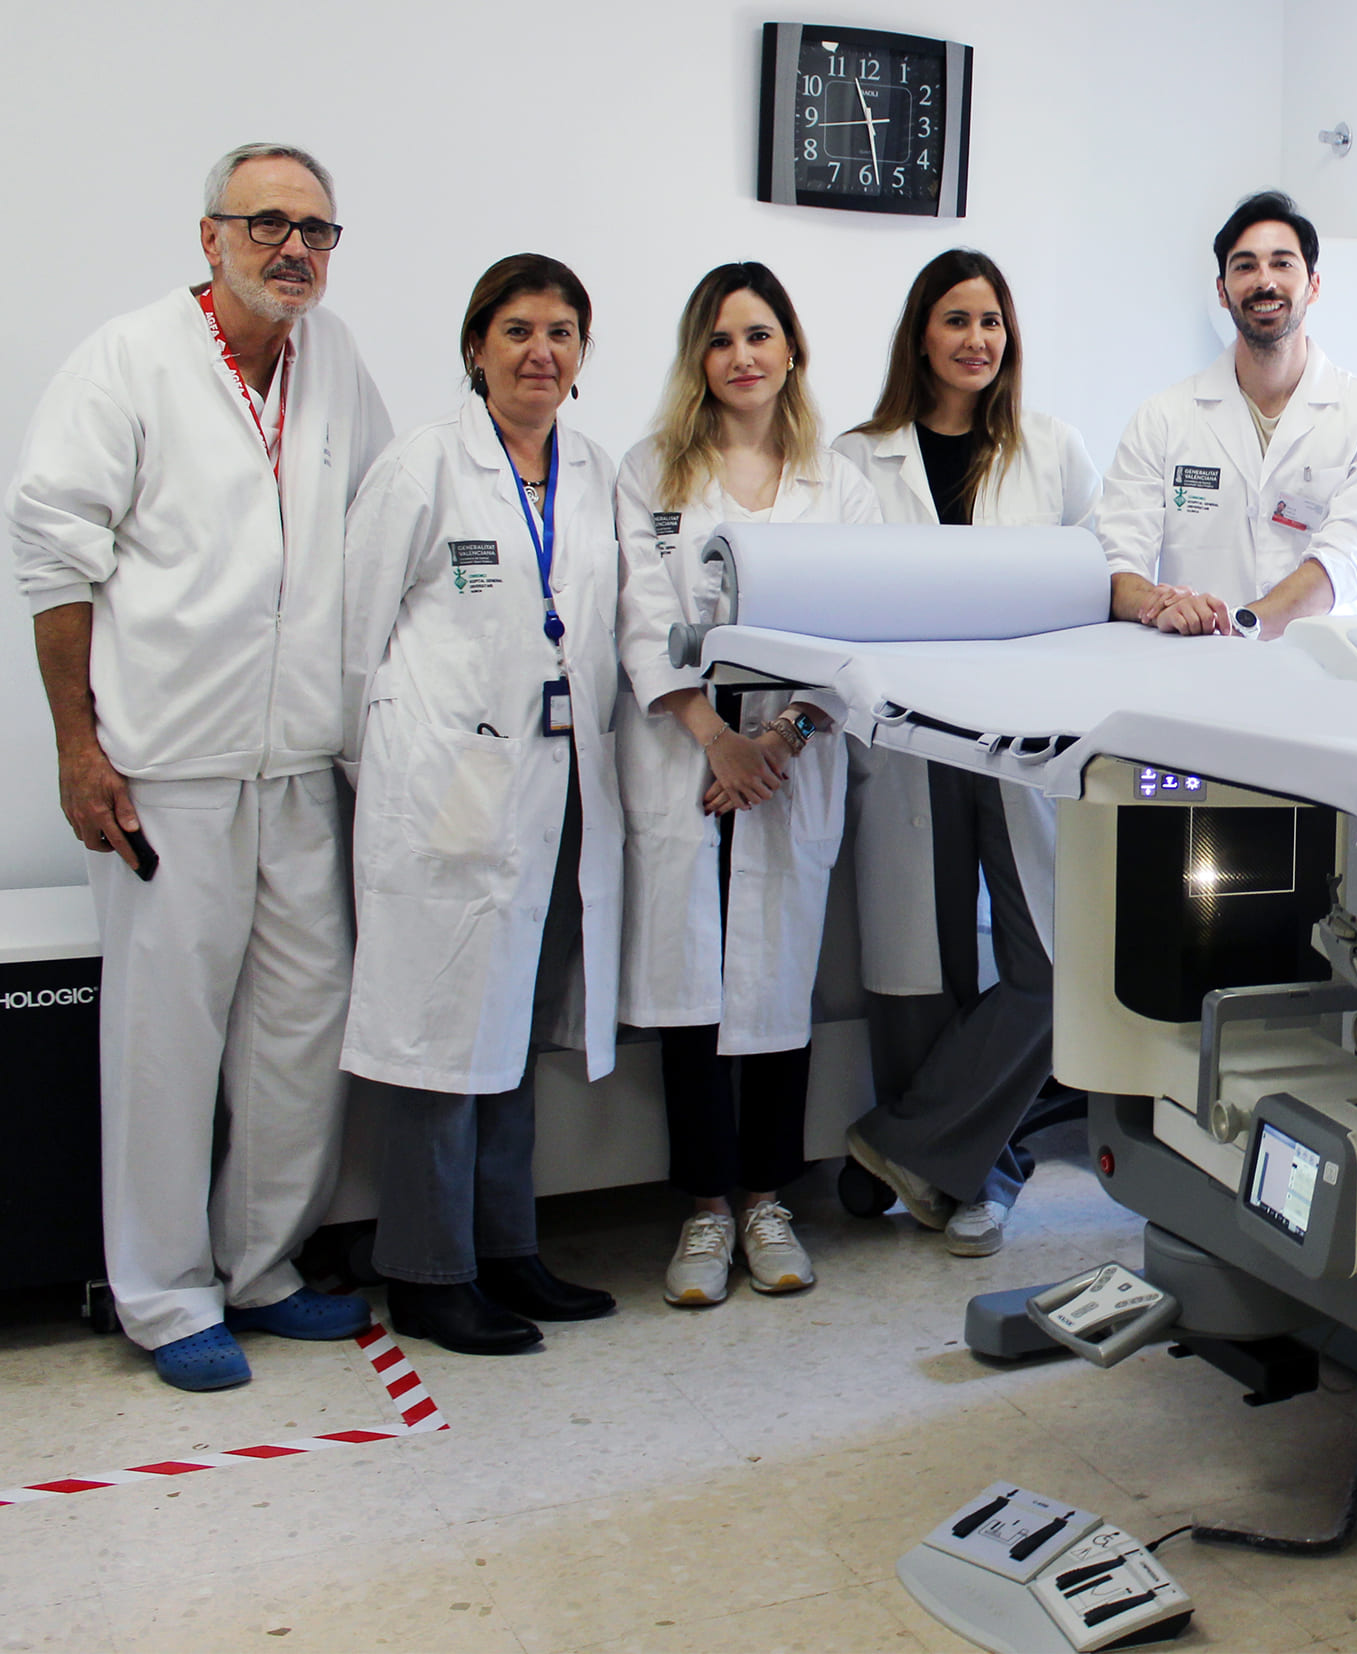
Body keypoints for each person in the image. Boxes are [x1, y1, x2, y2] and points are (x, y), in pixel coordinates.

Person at [9, 143, 391, 1391]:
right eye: (269, 223)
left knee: (299, 1029)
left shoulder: (334, 362)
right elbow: (56, 557)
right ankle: (165, 1295)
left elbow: (383, 525)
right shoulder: (128, 359)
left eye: (318, 231)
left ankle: (261, 1265)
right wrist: (79, 745)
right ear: (211, 237)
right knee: (165, 1039)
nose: (295, 248)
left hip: (299, 769)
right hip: (165, 769)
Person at [339, 255, 636, 1355]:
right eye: (517, 329)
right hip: (444, 789)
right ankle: (426, 1270)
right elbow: (349, 642)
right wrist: (391, 782)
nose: (540, 352)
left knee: (512, 1024)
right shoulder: (425, 465)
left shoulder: (596, 472)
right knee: (436, 1029)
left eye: (562, 332)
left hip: (558, 787)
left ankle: (507, 1249)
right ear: (477, 346)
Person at [829, 248, 1102, 1257]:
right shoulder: (859, 459)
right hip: (907, 734)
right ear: (921, 336)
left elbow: (1092, 579)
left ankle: (906, 1145)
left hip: (1019, 732)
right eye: (956, 319)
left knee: (1053, 966)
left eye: (992, 321)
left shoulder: (1054, 449)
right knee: (918, 967)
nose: (977, 339)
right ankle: (967, 1178)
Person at [615, 263, 879, 1306]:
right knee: (693, 998)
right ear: (699, 358)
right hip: (691, 763)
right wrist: (717, 740)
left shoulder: (836, 482)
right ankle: (704, 1208)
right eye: (722, 340)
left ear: (790, 352)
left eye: (761, 335)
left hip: (786, 765)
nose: (743, 357)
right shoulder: (652, 473)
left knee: (778, 986)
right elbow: (639, 619)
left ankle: (767, 1199)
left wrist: (777, 739)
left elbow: (855, 625)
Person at [1097, 190, 1357, 638]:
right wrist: (1161, 606)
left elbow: (1342, 561)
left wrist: (1238, 623)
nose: (1263, 281)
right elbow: (1118, 562)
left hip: (1330, 675)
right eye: (1245, 266)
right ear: (1223, 292)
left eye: (1283, 263)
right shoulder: (1162, 419)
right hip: (1197, 668)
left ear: (1314, 285)